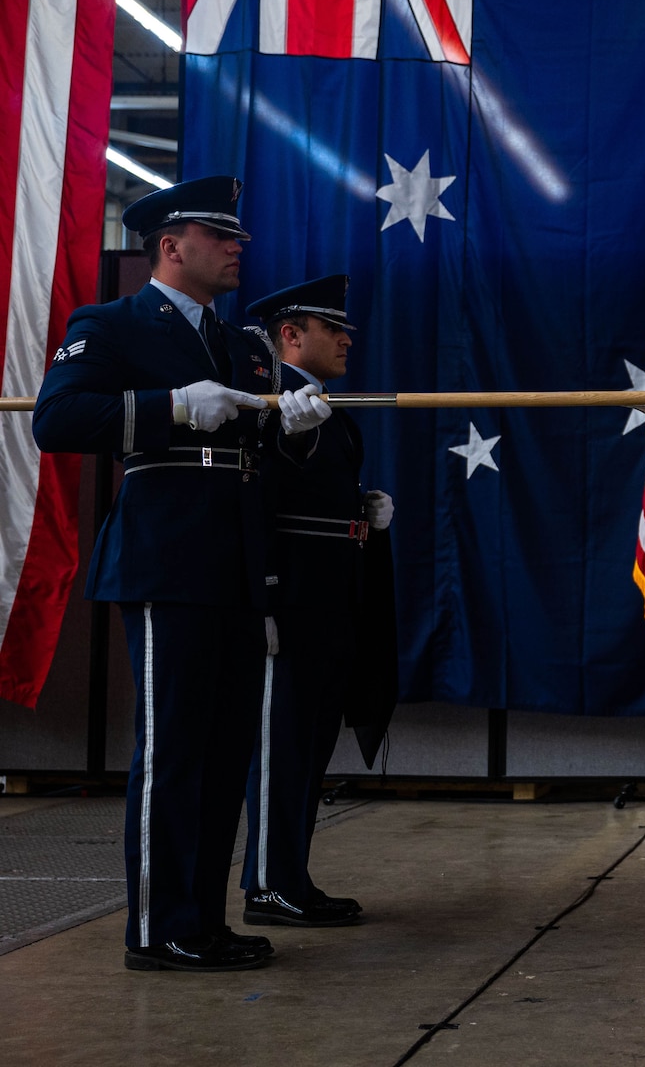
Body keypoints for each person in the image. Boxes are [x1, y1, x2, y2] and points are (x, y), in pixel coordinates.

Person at [31, 177, 332, 972]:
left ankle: (200, 917)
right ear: (171, 245)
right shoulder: (112, 324)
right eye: (221, 236)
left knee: (226, 749)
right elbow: (55, 420)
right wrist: (168, 405)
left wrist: (294, 434)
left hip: (235, 560)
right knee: (173, 750)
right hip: (167, 554)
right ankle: (157, 928)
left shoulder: (242, 347)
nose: (239, 248)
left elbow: (260, 458)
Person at [239, 275, 393, 928]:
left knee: (310, 746)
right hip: (294, 599)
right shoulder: (271, 408)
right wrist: (266, 599)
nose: (347, 338)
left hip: (331, 598)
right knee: (281, 747)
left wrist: (362, 518)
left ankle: (290, 875)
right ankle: (268, 883)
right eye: (333, 329)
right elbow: (257, 508)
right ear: (291, 337)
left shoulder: (327, 411)